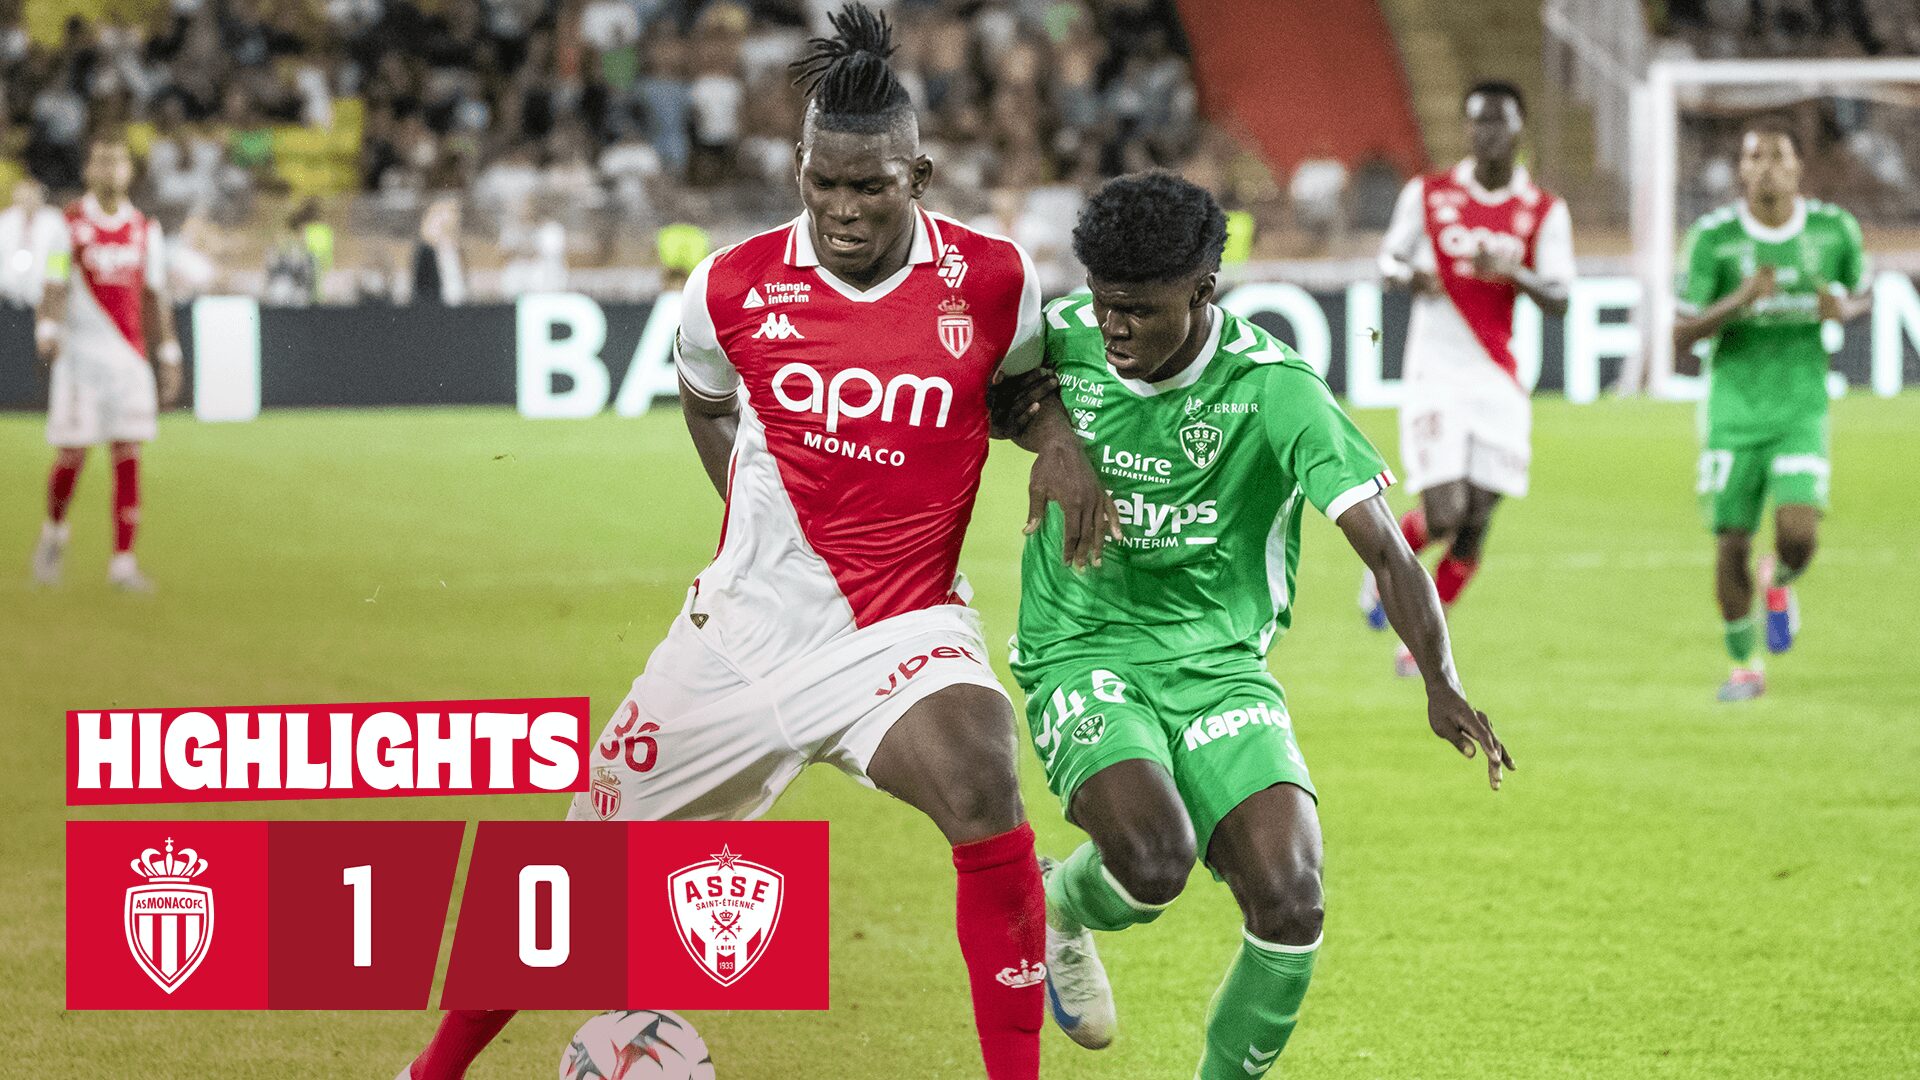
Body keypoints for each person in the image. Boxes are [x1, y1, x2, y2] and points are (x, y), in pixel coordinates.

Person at [398, 7, 1111, 1079]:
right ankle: (430, 1072)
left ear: (919, 176)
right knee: (571, 877)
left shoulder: (996, 279)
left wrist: (1055, 438)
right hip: (737, 634)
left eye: (871, 187)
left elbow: (1017, 390)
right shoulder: (730, 286)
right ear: (798, 169)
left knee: (982, 779)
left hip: (899, 628)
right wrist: (755, 524)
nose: (843, 209)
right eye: (823, 183)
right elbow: (705, 401)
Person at [1010, 171, 1512, 1078]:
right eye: (1103, 301)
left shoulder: (1276, 389)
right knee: (1153, 862)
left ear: (1204, 290)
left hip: (1221, 662)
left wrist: (1442, 682)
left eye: (1138, 310)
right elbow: (990, 397)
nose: (1112, 326)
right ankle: (1061, 906)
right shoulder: (1059, 337)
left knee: (1292, 900)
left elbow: (1387, 551)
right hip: (1081, 643)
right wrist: (1055, 437)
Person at [1369, 80, 1573, 677]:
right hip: (1435, 372)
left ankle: (1421, 640)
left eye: (1497, 121)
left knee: (1477, 520)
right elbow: (1387, 261)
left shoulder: (1543, 209)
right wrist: (1412, 278)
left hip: (1499, 379)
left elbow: (1560, 297)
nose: (1486, 133)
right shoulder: (1428, 193)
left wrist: (1514, 273)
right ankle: (1382, 563)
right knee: (1445, 513)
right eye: (1477, 121)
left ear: (1519, 129)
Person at [1672, 126, 1870, 702]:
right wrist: (1740, 299)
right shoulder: (1714, 239)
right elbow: (1681, 332)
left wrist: (1844, 308)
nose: (1765, 167)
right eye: (1753, 156)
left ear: (1798, 167)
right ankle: (1744, 667)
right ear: (1740, 169)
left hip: (1800, 407)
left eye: (1777, 156)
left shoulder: (1834, 230)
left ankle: (1778, 579)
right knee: (1731, 541)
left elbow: (1864, 293)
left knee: (1798, 535)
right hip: (1733, 411)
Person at [29, 135, 184, 591]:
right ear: (88, 170)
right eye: (102, 161)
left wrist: (169, 352)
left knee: (128, 454)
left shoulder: (144, 229)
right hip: (79, 358)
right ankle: (54, 533)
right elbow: (54, 283)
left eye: (118, 162)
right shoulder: (69, 225)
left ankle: (123, 563)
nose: (110, 169)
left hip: (129, 359)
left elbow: (155, 296)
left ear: (129, 171)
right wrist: (47, 329)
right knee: (72, 454)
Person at [0, 178, 64, 306]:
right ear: (16, 196)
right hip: (7, 295)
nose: (28, 199)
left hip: (41, 296)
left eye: (32, 195)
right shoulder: (5, 221)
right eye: (24, 195)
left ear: (40, 196)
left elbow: (59, 254)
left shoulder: (54, 221)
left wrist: (56, 282)